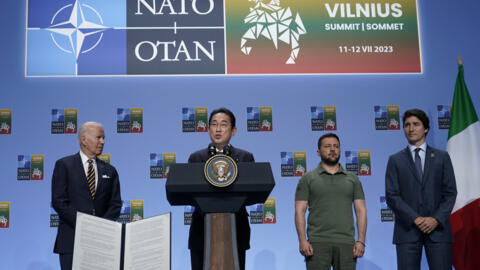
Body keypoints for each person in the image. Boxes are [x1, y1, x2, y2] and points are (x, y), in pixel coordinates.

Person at [385, 109, 457, 270]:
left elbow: (450, 193)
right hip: (407, 231)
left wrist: (435, 219)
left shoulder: (442, 157)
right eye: (407, 125)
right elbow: (392, 195)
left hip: (438, 231)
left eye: (416, 124)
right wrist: (415, 219)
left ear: (426, 129)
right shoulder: (395, 160)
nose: (411, 129)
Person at [188, 108, 254, 270]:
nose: (218, 129)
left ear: (234, 130)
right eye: (214, 124)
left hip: (236, 229)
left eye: (224, 125)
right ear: (208, 129)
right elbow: (186, 191)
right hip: (202, 229)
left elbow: (253, 191)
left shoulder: (245, 157)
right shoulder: (196, 158)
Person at [51, 122, 122, 270]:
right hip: (71, 241)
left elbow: (115, 204)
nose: (102, 142)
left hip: (101, 243)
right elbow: (59, 202)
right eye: (98, 137)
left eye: (103, 138)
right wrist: (86, 225)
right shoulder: (64, 165)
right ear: (84, 140)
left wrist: (99, 227)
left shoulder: (110, 170)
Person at [295, 133, 367, 270]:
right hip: (317, 243)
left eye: (336, 146)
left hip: (347, 244)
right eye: (327, 146)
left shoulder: (352, 179)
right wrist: (302, 240)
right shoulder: (308, 178)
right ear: (318, 152)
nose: (332, 149)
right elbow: (300, 211)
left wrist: (361, 241)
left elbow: (361, 210)